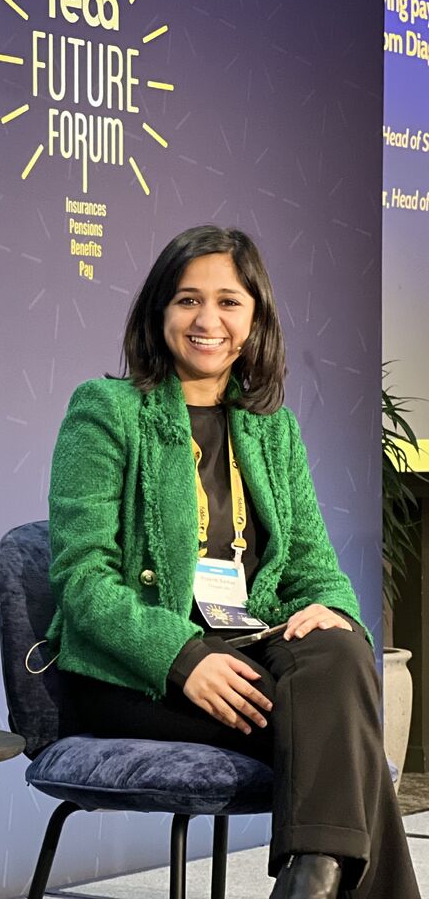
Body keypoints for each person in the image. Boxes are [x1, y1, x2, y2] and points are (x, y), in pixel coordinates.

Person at [46, 226, 418, 899]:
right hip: (138, 673)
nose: (208, 320)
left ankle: (311, 875)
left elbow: (315, 564)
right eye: (188, 300)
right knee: (340, 728)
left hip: (250, 646)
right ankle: (311, 879)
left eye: (229, 301)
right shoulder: (105, 411)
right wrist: (184, 657)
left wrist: (331, 608)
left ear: (255, 319)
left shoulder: (271, 427)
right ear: (160, 313)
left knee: (338, 650)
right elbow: (82, 584)